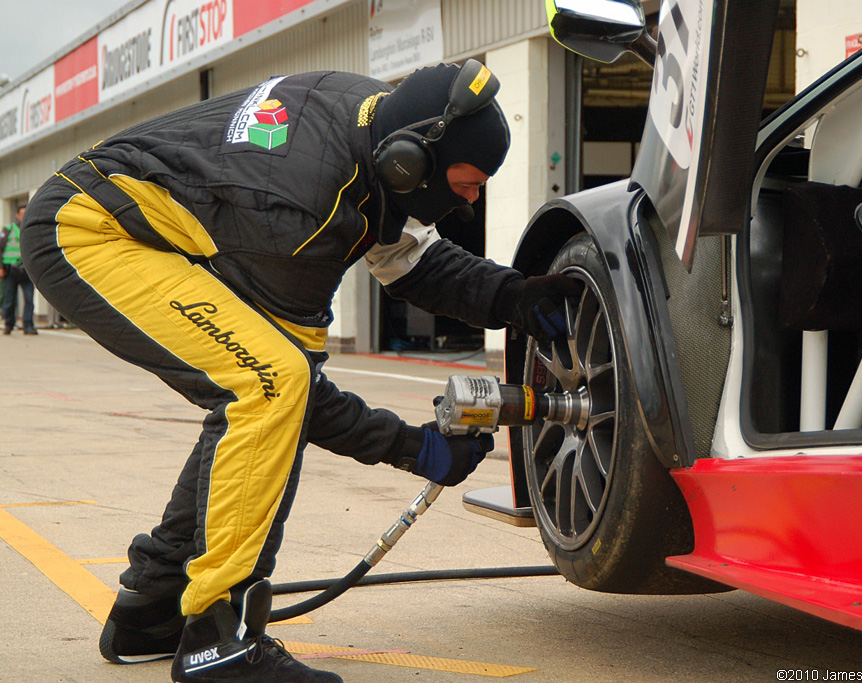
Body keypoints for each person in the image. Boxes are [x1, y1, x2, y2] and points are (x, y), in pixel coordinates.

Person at [21, 62, 579, 683]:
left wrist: (513, 296)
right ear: (409, 164)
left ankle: (151, 608)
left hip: (137, 211)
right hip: (89, 231)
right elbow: (304, 397)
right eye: (467, 182)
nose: (472, 199)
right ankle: (218, 639)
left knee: (258, 388)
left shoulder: (374, 127)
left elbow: (408, 258)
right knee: (270, 385)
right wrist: (414, 448)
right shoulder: (298, 213)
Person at [1, 206, 37, 336]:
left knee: (29, 299)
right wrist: (0, 268)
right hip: (10, 271)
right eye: (22, 213)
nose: (24, 215)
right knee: (9, 300)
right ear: (17, 215)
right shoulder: (8, 230)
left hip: (27, 271)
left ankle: (28, 326)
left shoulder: (32, 230)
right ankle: (9, 324)